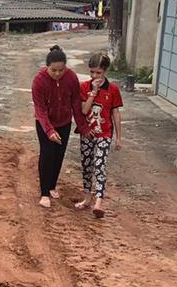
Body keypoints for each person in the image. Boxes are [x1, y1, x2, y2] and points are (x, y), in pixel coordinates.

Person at [31, 45, 82, 209]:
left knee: (59, 155)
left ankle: (52, 186)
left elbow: (75, 102)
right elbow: (40, 109)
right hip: (45, 123)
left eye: (61, 70)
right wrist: (49, 130)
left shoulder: (72, 78)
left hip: (64, 122)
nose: (58, 74)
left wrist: (82, 125)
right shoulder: (39, 81)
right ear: (47, 67)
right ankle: (44, 192)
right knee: (47, 154)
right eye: (54, 70)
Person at [75, 51, 124, 219]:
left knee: (100, 165)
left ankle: (99, 202)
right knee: (87, 165)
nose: (95, 75)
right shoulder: (84, 87)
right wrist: (93, 92)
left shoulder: (113, 90)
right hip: (88, 133)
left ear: (105, 72)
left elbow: (115, 113)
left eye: (99, 72)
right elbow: (84, 110)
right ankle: (87, 196)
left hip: (104, 133)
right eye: (92, 72)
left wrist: (118, 137)